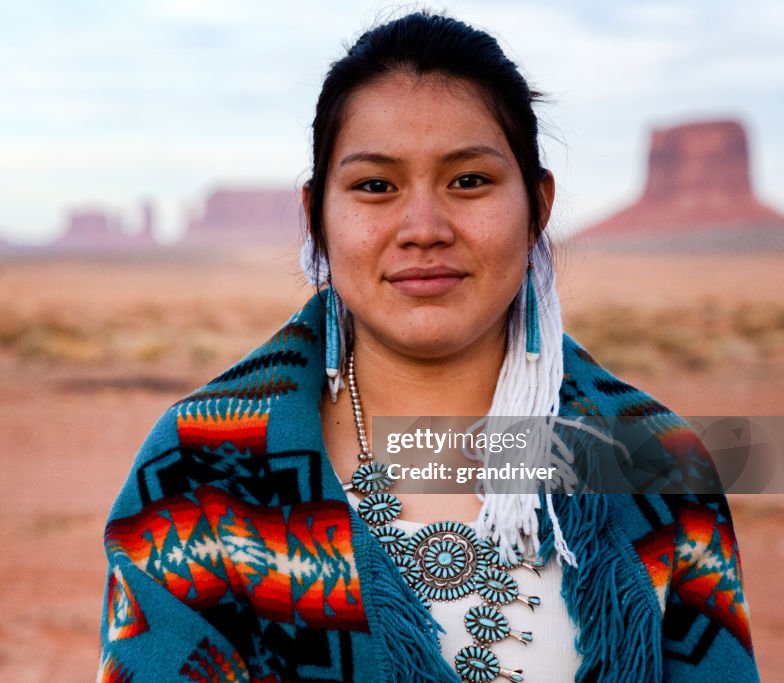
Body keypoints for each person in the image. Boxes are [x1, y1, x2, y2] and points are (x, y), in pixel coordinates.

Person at [98, 12, 759, 683]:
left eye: (469, 180)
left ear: (538, 205)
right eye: (375, 186)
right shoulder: (199, 472)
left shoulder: (656, 464)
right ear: (316, 216)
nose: (423, 228)